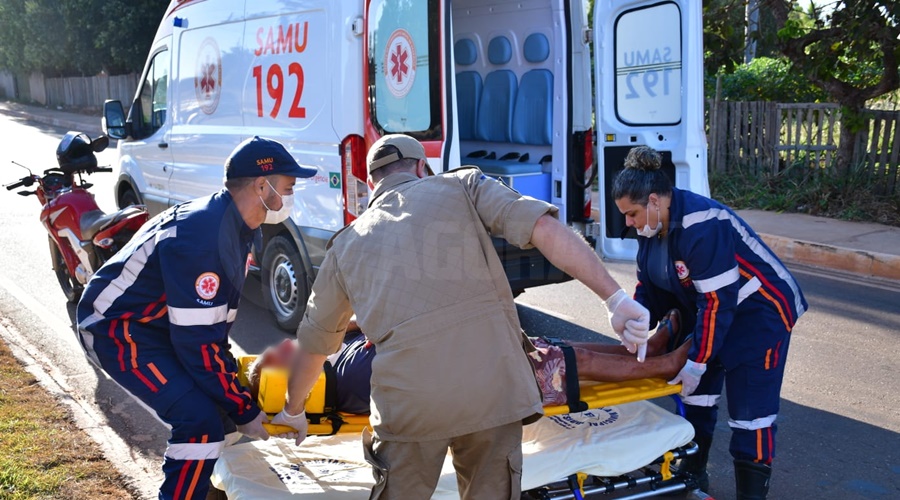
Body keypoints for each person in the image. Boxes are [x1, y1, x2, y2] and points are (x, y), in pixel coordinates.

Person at [270, 134, 653, 499]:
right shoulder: (463, 186)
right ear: (422, 167)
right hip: (494, 390)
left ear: (373, 184)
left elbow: (315, 344)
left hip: (410, 407)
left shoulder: (346, 244)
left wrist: (294, 410)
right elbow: (542, 228)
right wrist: (614, 298)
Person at [75, 136, 317, 500]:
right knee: (198, 422)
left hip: (158, 327)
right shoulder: (204, 238)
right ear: (261, 185)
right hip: (116, 329)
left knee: (221, 413)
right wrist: (246, 410)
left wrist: (242, 405)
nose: (291, 196)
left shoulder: (236, 226)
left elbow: (213, 327)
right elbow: (197, 343)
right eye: (288, 187)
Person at [611, 146, 807, 500]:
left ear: (654, 201)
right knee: (697, 397)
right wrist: (637, 317)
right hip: (710, 311)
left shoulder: (702, 225)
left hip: (759, 314)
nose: (628, 222)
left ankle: (751, 493)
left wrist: (698, 361)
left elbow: (719, 301)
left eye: (632, 213)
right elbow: (651, 285)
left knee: (751, 412)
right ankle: (694, 474)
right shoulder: (652, 231)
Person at [248, 310, 689, 410]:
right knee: (564, 360)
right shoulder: (353, 377)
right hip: (484, 375)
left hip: (474, 349)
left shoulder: (336, 358)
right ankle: (662, 365)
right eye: (278, 357)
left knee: (559, 345)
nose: (284, 346)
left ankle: (647, 346)